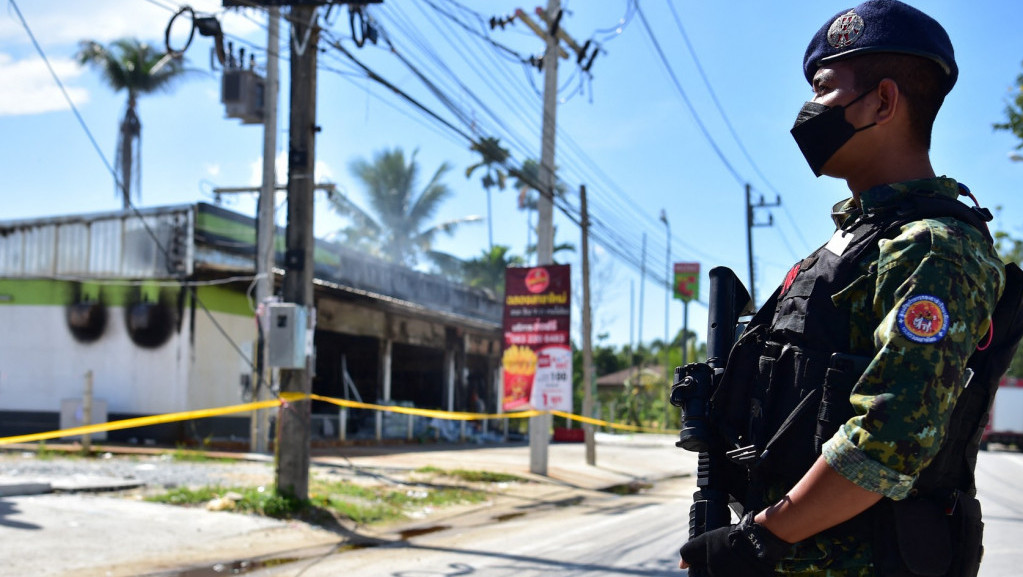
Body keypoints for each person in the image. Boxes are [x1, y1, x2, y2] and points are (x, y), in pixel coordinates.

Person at [677, 1, 1007, 576]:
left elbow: (887, 438)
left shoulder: (932, 246)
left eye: (824, 88)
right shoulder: (853, 243)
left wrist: (756, 540)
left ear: (883, 101)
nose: (809, 110)